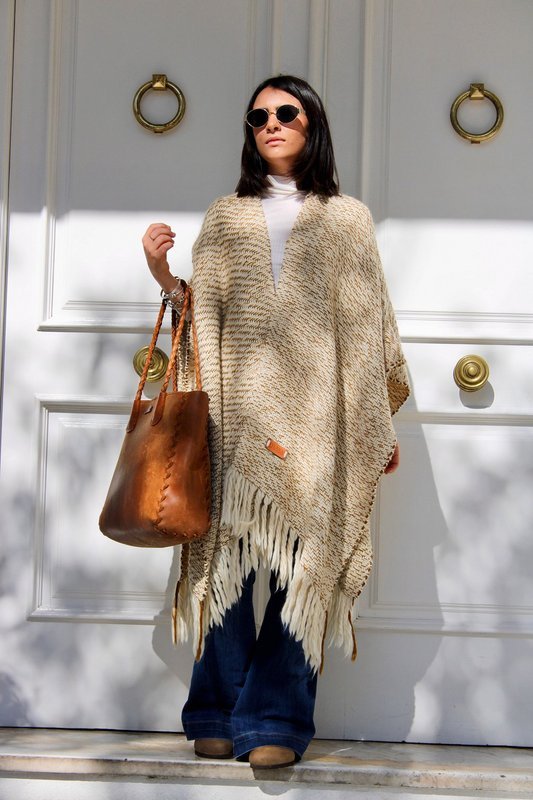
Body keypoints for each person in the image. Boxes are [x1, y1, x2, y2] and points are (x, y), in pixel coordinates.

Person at [142, 75, 409, 769]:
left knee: (304, 564)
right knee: (223, 559)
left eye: (286, 113)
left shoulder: (347, 219)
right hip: (232, 412)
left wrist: (370, 422)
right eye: (258, 116)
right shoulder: (225, 216)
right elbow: (202, 312)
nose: (271, 124)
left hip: (318, 416)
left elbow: (367, 324)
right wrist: (161, 274)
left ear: (311, 123)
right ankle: (214, 713)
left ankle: (274, 722)